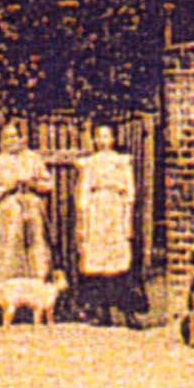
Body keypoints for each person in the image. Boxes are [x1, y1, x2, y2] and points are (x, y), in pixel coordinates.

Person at [0, 120, 54, 309]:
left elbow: (48, 185)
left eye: (15, 136)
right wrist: (8, 186)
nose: (12, 141)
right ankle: (1, 303)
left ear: (23, 138)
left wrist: (32, 184)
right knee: (6, 255)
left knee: (34, 252)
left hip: (30, 213)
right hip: (5, 216)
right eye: (7, 137)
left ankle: (33, 299)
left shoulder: (32, 159)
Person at [74, 123, 140, 326]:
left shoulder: (121, 162)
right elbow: (83, 193)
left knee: (120, 261)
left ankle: (128, 312)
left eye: (107, 136)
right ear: (94, 140)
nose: (103, 141)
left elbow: (129, 193)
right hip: (97, 211)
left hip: (115, 209)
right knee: (98, 261)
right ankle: (102, 311)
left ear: (113, 139)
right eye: (99, 137)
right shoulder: (91, 164)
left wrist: (127, 219)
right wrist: (84, 219)